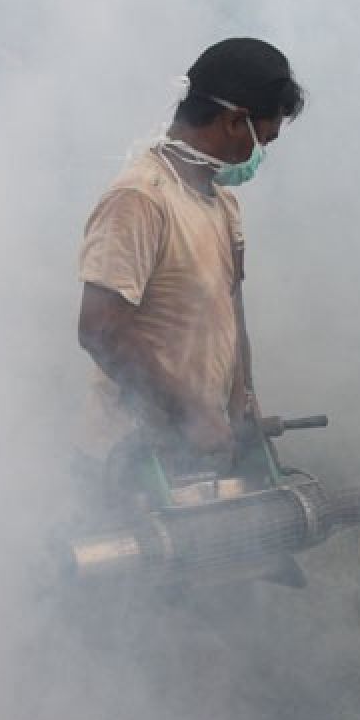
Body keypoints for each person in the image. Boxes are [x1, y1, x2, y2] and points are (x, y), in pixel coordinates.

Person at [75, 37, 305, 494]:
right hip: (130, 461)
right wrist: (190, 413)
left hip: (196, 455)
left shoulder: (223, 203)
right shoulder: (140, 198)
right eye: (266, 138)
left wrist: (243, 403)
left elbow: (230, 308)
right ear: (234, 120)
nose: (264, 154)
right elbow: (100, 327)